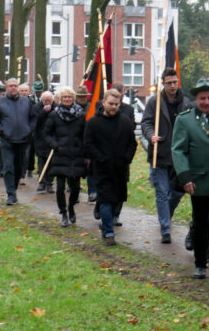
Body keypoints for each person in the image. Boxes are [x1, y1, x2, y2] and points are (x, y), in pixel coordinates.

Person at [171, 78, 209, 279]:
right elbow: (178, 150)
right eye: (202, 99)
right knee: (200, 223)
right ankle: (200, 263)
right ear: (196, 99)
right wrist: (185, 177)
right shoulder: (185, 120)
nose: (207, 102)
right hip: (198, 182)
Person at [140, 67, 193, 243]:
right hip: (160, 153)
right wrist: (150, 135)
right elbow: (146, 122)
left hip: (180, 156)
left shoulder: (186, 103)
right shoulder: (154, 102)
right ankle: (165, 228)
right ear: (163, 84)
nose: (172, 86)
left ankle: (167, 214)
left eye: (175, 82)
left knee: (177, 193)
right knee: (162, 192)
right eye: (169, 83)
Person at [84, 89, 138, 245]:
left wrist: (126, 158)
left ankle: (105, 220)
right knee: (106, 199)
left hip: (120, 168)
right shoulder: (93, 123)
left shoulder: (125, 122)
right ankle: (109, 233)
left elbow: (132, 143)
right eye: (111, 104)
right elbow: (88, 144)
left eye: (116, 104)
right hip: (101, 169)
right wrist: (99, 158)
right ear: (103, 102)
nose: (113, 107)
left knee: (117, 199)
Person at [42, 87, 87, 225]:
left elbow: (85, 134)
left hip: (76, 155)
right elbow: (46, 134)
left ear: (73, 98)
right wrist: (55, 145)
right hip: (60, 155)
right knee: (60, 187)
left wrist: (84, 148)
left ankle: (71, 207)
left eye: (70, 97)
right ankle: (63, 213)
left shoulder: (80, 115)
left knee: (75, 188)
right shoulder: (54, 115)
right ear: (61, 99)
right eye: (65, 97)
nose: (67, 99)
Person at [0, 78, 37, 205]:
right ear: (6, 88)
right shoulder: (0, 102)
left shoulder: (26, 102)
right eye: (11, 86)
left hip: (23, 140)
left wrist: (29, 130)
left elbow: (33, 118)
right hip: (7, 141)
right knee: (8, 167)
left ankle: (14, 188)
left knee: (19, 167)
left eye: (15, 86)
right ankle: (11, 194)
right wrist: (2, 131)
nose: (13, 88)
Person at [34, 90, 55, 193]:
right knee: (41, 160)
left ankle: (50, 183)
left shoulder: (56, 107)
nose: (47, 102)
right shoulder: (37, 107)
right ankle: (42, 182)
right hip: (40, 139)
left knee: (51, 161)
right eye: (45, 100)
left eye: (49, 100)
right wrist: (43, 111)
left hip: (52, 138)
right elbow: (34, 121)